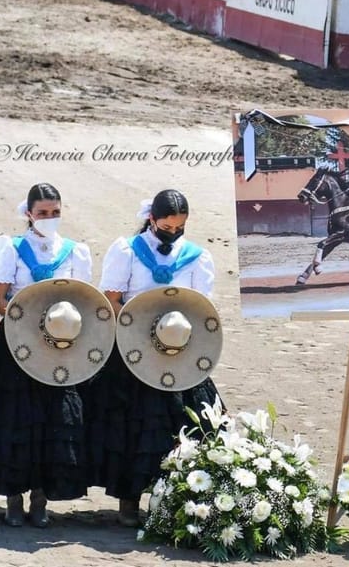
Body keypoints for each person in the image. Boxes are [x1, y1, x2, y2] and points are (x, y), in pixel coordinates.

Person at [85, 189, 223, 527]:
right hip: (133, 349)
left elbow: (200, 307)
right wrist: (143, 326)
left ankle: (177, 498)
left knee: (184, 422)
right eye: (166, 226)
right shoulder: (127, 251)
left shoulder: (197, 256)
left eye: (180, 228)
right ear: (151, 219)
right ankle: (128, 500)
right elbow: (111, 299)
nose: (173, 233)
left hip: (177, 348)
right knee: (132, 424)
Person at [0, 182, 93, 527]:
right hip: (17, 344)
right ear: (29, 213)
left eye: (55, 212)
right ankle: (13, 499)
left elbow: (83, 300)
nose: (49, 218)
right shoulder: (11, 248)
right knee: (15, 418)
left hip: (59, 345)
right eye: (43, 213)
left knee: (54, 419)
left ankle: (41, 499)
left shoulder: (75, 252)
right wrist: (29, 315)